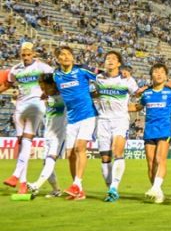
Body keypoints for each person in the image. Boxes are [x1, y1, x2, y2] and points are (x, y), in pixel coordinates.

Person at [1, 42, 53, 194]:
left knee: (26, 140)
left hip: (36, 105)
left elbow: (54, 80)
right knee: (22, 144)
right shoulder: (15, 69)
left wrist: (48, 93)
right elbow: (8, 84)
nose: (26, 57)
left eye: (28, 54)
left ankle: (16, 174)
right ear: (20, 55)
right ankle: (22, 183)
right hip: (20, 107)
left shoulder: (42, 67)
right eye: (23, 55)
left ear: (33, 54)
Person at [49, 45, 98, 200]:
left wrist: (97, 92)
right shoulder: (56, 76)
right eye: (62, 55)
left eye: (69, 54)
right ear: (57, 59)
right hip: (71, 119)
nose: (66, 57)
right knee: (69, 155)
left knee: (80, 147)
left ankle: (77, 183)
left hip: (88, 115)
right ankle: (78, 190)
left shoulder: (82, 71)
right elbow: (50, 88)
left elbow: (101, 78)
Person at [130, 63, 171, 204]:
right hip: (149, 132)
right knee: (151, 163)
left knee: (160, 159)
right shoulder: (146, 94)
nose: (158, 74)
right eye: (155, 72)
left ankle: (156, 188)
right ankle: (157, 191)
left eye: (161, 72)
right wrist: (117, 106)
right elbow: (137, 107)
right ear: (151, 75)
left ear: (166, 76)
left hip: (165, 131)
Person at [94, 51, 139, 202]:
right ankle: (110, 190)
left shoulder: (127, 79)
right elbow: (93, 93)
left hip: (120, 120)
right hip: (102, 120)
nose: (110, 61)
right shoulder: (98, 78)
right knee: (105, 158)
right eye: (107, 59)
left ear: (119, 63)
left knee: (117, 151)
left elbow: (138, 93)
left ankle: (114, 187)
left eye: (113, 59)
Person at [28, 75, 66, 198]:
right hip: (48, 135)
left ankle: (36, 185)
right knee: (46, 163)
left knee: (50, 160)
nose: (43, 90)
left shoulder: (64, 97)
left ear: (52, 85)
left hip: (60, 135)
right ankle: (56, 190)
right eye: (41, 88)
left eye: (45, 87)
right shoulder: (49, 97)